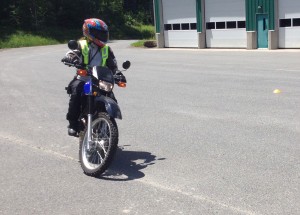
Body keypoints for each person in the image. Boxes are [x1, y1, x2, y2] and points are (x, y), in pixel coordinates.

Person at [62, 18, 118, 136]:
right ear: (89, 32)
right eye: (99, 33)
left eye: (104, 33)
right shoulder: (81, 45)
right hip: (84, 78)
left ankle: (107, 126)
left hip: (100, 80)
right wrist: (71, 58)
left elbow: (113, 65)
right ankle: (73, 124)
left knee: (112, 98)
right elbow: (73, 52)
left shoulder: (107, 49)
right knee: (76, 94)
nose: (102, 36)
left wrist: (118, 73)